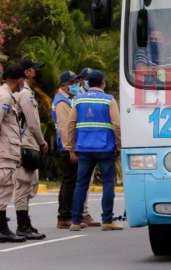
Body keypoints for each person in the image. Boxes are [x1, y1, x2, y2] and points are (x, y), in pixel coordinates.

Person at [67, 70, 123, 231]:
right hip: (105, 148)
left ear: (87, 83)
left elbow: (71, 124)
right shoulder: (108, 100)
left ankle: (76, 222)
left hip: (84, 148)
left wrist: (71, 146)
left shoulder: (78, 100)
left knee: (81, 184)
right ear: (103, 82)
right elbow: (117, 125)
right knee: (107, 184)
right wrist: (119, 146)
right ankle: (107, 221)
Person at [0, 64, 26, 243]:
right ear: (19, 80)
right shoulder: (4, 97)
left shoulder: (0, 93)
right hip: (5, 149)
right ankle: (2, 230)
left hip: (2, 148)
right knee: (2, 188)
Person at [52, 70, 100, 229]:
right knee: (70, 182)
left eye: (75, 82)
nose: (75, 85)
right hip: (68, 147)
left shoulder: (69, 99)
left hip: (72, 146)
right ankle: (64, 216)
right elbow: (64, 128)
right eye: (71, 83)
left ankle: (70, 215)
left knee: (70, 181)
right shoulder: (61, 102)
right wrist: (70, 149)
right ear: (63, 85)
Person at [12, 58, 49, 240]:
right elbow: (33, 123)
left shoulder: (24, 92)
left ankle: (26, 223)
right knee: (23, 185)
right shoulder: (25, 94)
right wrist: (42, 142)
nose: (37, 72)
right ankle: (22, 226)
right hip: (25, 143)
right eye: (35, 69)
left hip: (25, 142)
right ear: (27, 72)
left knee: (27, 185)